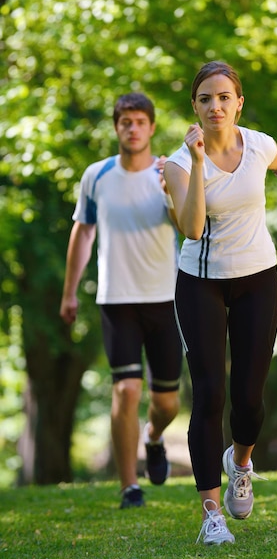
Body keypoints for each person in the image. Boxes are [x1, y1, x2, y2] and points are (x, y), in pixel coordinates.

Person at [164, 61, 277, 545]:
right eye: (205, 99)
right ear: (194, 108)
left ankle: (240, 461)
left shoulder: (259, 144)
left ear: (238, 102)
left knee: (249, 398)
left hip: (259, 278)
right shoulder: (180, 164)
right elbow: (193, 227)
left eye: (224, 97)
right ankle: (211, 516)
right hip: (201, 282)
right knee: (210, 395)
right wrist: (199, 162)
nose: (215, 106)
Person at [60, 92, 183, 509]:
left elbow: (190, 222)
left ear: (151, 127)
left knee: (167, 401)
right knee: (127, 390)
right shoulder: (96, 176)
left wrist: (172, 187)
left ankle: (154, 436)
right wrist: (69, 292)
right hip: (117, 301)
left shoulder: (169, 172)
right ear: (116, 127)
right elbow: (83, 233)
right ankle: (130, 486)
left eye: (140, 122)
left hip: (166, 299)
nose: (132, 129)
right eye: (125, 122)